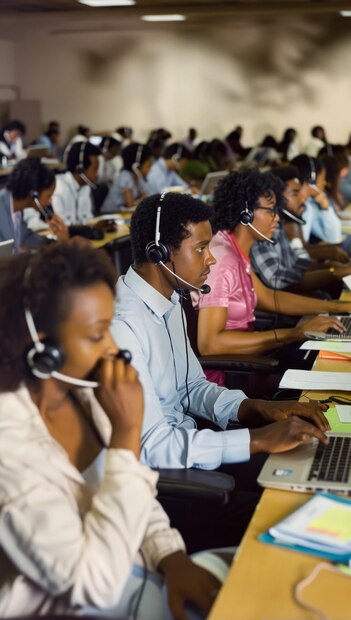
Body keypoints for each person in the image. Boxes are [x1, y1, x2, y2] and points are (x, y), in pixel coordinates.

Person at [0, 241, 227, 620]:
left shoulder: (83, 392)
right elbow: (95, 583)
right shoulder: (11, 445)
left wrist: (169, 555)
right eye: (96, 334)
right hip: (79, 611)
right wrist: (126, 435)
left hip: (139, 579)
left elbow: (131, 492)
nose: (113, 348)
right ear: (39, 346)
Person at [111, 192, 331, 549]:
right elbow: (155, 447)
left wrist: (256, 408)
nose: (211, 258)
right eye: (200, 249)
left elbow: (191, 387)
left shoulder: (169, 299)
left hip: (192, 447)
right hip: (169, 487)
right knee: (291, 513)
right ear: (159, 253)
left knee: (306, 468)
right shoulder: (123, 326)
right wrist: (257, 439)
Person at [193, 170, 349, 380]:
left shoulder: (233, 248)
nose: (276, 217)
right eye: (270, 211)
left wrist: (337, 308)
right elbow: (210, 344)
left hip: (247, 358)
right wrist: (293, 333)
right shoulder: (223, 259)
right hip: (229, 376)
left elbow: (268, 297)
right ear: (245, 214)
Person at [250, 166, 351, 294]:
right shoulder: (261, 235)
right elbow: (279, 280)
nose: (303, 198)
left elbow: (294, 262)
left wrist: (331, 267)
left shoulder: (278, 226)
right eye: (295, 193)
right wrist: (334, 272)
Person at [0, 158, 68, 251]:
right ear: (34, 194)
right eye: (48, 196)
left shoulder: (17, 210)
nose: (50, 201)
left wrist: (57, 242)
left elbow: (26, 237)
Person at [101, 143, 152, 213]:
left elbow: (145, 197)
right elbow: (130, 206)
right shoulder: (125, 176)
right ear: (136, 166)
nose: (151, 169)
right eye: (148, 166)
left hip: (122, 213)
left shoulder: (138, 176)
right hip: (111, 214)